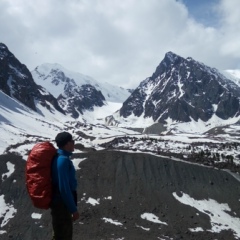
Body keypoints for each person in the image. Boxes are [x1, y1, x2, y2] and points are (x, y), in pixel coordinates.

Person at [51, 131, 80, 240]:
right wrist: (73, 209)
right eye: (72, 141)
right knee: (63, 236)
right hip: (62, 205)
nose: (74, 143)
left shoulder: (60, 158)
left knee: (58, 235)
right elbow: (64, 188)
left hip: (59, 204)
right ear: (67, 144)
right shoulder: (63, 161)